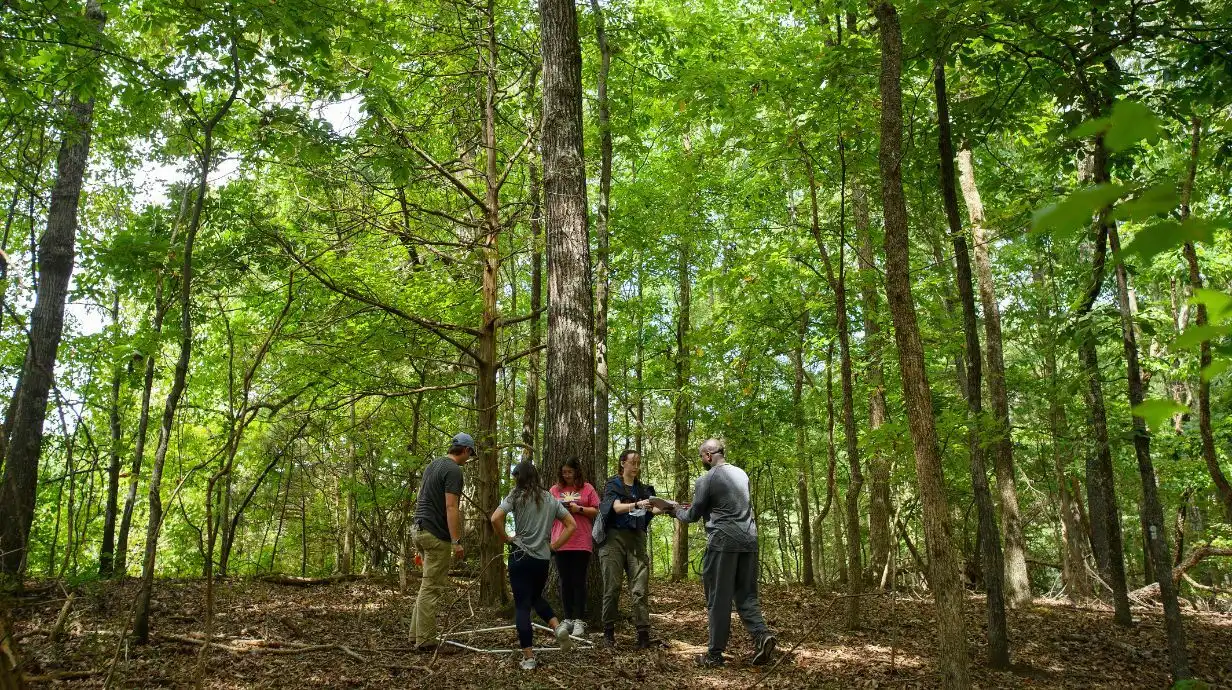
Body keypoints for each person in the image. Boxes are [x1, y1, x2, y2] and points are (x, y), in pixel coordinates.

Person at [669, 438, 776, 668]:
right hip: (749, 540)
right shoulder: (742, 474)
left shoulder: (706, 479)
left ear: (708, 455)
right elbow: (724, 505)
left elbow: (692, 516)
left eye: (701, 456)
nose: (701, 461)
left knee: (719, 599)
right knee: (746, 595)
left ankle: (714, 655)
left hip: (722, 543)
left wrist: (673, 510)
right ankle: (762, 635)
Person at [491, 461, 577, 670]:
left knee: (522, 605)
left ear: (520, 477)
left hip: (520, 556)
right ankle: (557, 628)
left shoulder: (516, 495)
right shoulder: (550, 498)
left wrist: (506, 539)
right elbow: (571, 525)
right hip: (542, 560)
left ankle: (529, 657)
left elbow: (495, 518)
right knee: (535, 597)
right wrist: (554, 546)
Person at [410, 433, 474, 651]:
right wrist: (456, 540)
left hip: (419, 529)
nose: (469, 458)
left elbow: (423, 499)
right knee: (432, 587)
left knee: (426, 585)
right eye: (470, 453)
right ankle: (426, 640)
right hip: (435, 534)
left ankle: (415, 634)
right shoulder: (454, 470)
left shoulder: (434, 464)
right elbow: (451, 507)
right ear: (465, 450)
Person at [598, 449, 660, 649]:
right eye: (633, 462)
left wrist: (671, 508)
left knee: (640, 588)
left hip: (637, 539)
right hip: (613, 539)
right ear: (623, 463)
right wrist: (636, 504)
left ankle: (643, 634)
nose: (636, 466)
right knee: (612, 586)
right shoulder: (613, 484)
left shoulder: (643, 489)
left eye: (638, 463)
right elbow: (616, 508)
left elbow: (653, 509)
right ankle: (608, 632)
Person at [549, 457, 601, 636]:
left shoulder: (587, 488)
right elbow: (546, 511)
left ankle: (580, 619)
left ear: (577, 472)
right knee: (565, 582)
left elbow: (596, 510)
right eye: (564, 472)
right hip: (561, 541)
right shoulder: (555, 490)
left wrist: (578, 509)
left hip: (581, 541)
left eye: (570, 472)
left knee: (579, 581)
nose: (567, 475)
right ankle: (568, 618)